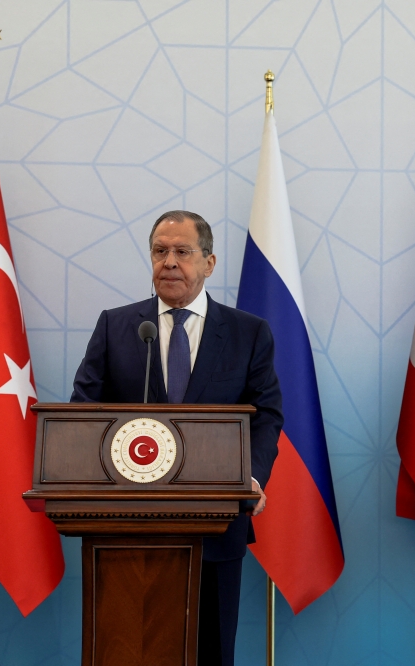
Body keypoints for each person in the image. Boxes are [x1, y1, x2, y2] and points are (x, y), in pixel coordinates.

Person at [71, 210, 282, 665]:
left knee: (211, 652)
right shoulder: (117, 326)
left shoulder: (248, 333)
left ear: (209, 262)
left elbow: (266, 415)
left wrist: (252, 477)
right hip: (126, 531)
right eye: (159, 251)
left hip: (217, 524)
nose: (169, 262)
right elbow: (82, 413)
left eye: (182, 252)